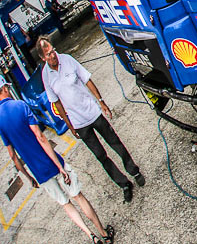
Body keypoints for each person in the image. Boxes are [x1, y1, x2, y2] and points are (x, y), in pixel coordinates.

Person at [0, 79, 114, 243]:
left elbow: (13, 156)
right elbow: (41, 138)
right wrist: (59, 166)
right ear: (4, 88)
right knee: (78, 197)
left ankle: (91, 236)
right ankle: (103, 233)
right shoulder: (20, 106)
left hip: (39, 173)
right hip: (51, 162)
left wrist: (29, 177)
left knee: (65, 204)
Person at [38, 38, 143, 203]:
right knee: (101, 155)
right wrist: (70, 125)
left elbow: (87, 79)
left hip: (92, 113)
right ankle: (123, 184)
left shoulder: (67, 60)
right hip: (79, 123)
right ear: (43, 58)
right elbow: (56, 102)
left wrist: (101, 101)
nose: (53, 55)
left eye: (53, 50)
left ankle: (133, 170)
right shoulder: (46, 76)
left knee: (114, 142)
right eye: (49, 54)